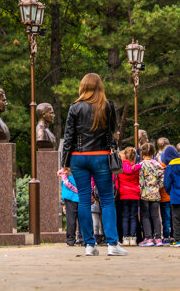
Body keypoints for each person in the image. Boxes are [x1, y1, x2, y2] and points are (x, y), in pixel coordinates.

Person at [60, 72, 127, 257]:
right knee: (106, 200)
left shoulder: (75, 108)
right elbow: (112, 133)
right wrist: (114, 150)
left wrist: (64, 163)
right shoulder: (108, 106)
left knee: (83, 199)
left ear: (83, 87)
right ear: (100, 87)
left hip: (78, 158)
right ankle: (112, 244)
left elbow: (69, 138)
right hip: (101, 157)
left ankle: (89, 245)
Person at [137, 143, 163, 246]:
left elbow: (141, 180)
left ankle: (148, 238)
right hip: (155, 193)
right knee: (156, 215)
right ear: (153, 152)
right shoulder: (157, 164)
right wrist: (158, 186)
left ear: (142, 153)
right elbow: (162, 178)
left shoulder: (141, 165)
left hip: (144, 194)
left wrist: (141, 189)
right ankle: (158, 238)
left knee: (145, 216)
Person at [115, 146, 141, 246]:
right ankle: (133, 238)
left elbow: (117, 181)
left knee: (125, 217)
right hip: (134, 194)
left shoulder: (120, 167)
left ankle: (125, 238)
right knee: (133, 217)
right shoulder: (137, 167)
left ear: (124, 155)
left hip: (124, 194)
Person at [156, 137, 173, 242]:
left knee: (166, 218)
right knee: (172, 217)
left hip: (164, 197)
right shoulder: (173, 166)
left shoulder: (160, 167)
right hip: (172, 197)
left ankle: (166, 236)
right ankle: (174, 235)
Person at [60, 168, 81, 247]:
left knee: (71, 219)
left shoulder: (65, 171)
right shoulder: (80, 169)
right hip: (80, 196)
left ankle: (70, 240)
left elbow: (65, 183)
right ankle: (82, 238)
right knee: (82, 218)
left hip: (70, 196)